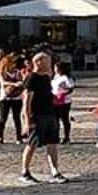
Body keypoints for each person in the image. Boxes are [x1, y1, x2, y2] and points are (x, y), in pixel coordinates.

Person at [18, 52, 68, 184]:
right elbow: (27, 101)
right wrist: (27, 121)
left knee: (53, 143)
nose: (49, 64)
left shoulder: (46, 78)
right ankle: (25, 172)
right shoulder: (31, 78)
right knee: (32, 144)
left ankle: (55, 171)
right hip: (37, 115)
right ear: (38, 62)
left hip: (50, 114)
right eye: (47, 61)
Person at [0, 53, 25, 144]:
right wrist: (14, 84)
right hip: (5, 98)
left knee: (17, 118)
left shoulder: (17, 72)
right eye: (12, 63)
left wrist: (20, 84)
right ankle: (0, 137)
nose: (14, 64)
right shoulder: (2, 72)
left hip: (16, 98)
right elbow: (3, 83)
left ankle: (18, 137)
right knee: (3, 118)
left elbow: (21, 81)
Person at [52, 60, 76, 145]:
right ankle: (56, 136)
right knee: (55, 120)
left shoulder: (66, 77)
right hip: (55, 100)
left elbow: (71, 88)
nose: (54, 69)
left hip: (64, 101)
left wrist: (63, 93)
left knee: (64, 119)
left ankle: (67, 137)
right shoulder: (55, 76)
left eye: (55, 67)